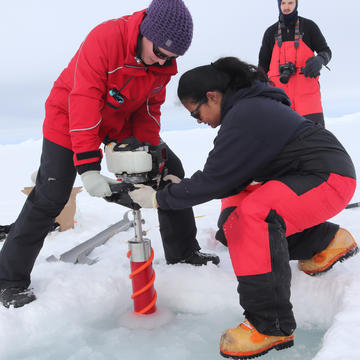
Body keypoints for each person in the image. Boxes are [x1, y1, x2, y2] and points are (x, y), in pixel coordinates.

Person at [129, 57, 358, 359]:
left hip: (327, 177)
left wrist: (158, 198)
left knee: (255, 216)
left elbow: (213, 180)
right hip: (299, 177)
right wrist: (174, 188)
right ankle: (326, 241)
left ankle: (270, 326)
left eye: (196, 112)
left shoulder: (248, 113)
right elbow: (227, 181)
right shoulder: (246, 110)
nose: (198, 120)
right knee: (232, 222)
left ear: (212, 96)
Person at [0, 0, 220, 309]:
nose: (161, 63)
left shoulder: (161, 64)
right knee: (51, 194)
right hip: (68, 118)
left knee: (171, 167)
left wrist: (148, 159)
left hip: (118, 121)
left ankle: (184, 253)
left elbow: (148, 110)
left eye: (170, 58)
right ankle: (9, 280)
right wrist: (89, 166)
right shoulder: (105, 39)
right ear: (145, 31)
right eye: (159, 53)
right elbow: (84, 99)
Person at [258, 0, 331, 127]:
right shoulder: (270, 32)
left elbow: (326, 51)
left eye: (290, 3)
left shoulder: (309, 26)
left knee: (315, 142)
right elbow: (262, 68)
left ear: (296, 4)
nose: (286, 7)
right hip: (280, 102)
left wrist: (320, 59)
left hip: (308, 101)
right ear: (279, 5)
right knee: (281, 143)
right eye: (283, 3)